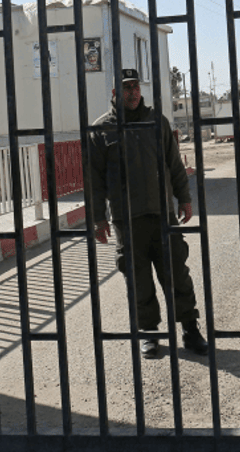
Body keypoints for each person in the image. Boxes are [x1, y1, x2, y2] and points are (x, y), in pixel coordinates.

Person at [89, 68, 208, 359]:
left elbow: (174, 164)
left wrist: (185, 198)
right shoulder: (101, 129)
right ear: (115, 93)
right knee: (138, 279)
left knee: (176, 273)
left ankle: (190, 330)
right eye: (126, 87)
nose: (132, 92)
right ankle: (150, 334)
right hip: (126, 221)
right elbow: (94, 179)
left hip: (162, 214)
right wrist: (97, 218)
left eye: (135, 87)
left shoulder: (158, 122)